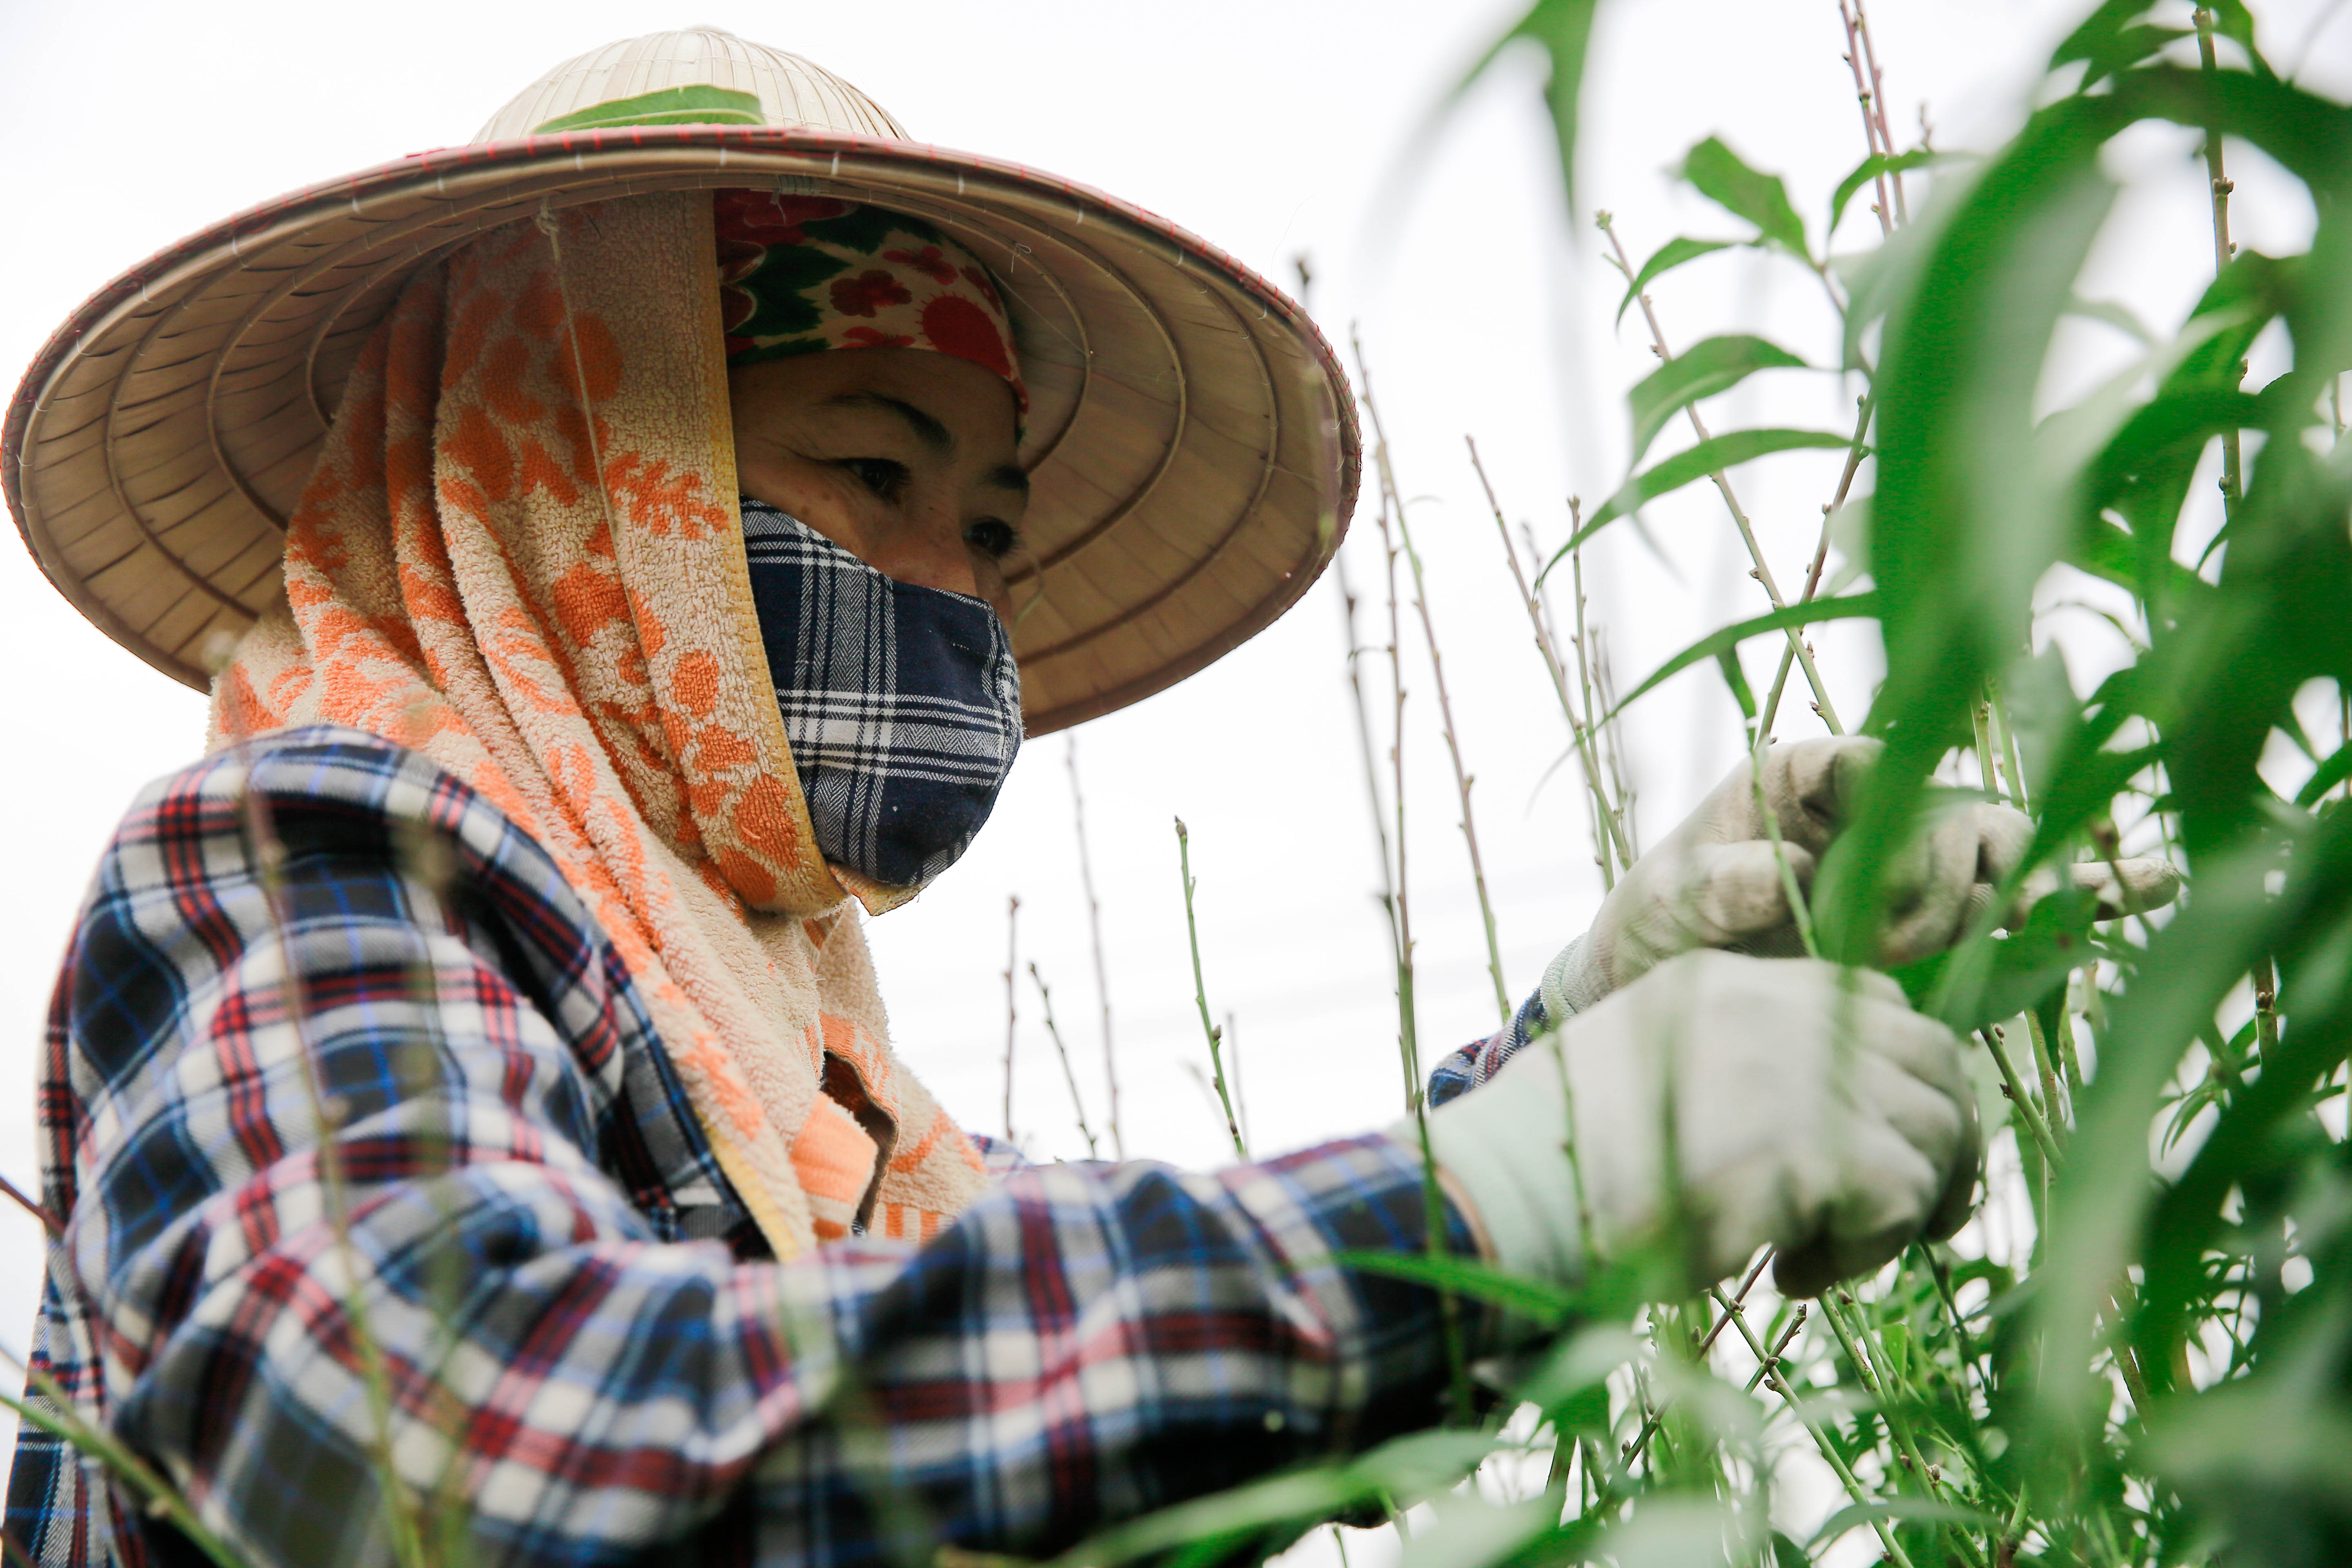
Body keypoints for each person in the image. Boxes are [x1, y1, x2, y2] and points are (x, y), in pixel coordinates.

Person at [1, 29, 2175, 1568]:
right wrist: (1516, 1192)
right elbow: (419, 1443)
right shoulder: (305, 868)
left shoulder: (801, 1063)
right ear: (573, 464)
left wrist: (1597, 1034)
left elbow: (1027, 1383)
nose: (953, 594)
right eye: (872, 474)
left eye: (995, 528)